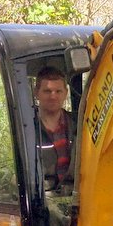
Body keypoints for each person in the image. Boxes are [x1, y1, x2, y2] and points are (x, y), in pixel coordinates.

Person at [34, 65, 74, 193]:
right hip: (42, 201)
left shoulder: (78, 125)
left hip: (75, 198)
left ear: (66, 93)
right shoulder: (27, 128)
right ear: (36, 93)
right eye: (47, 91)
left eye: (58, 91)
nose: (53, 96)